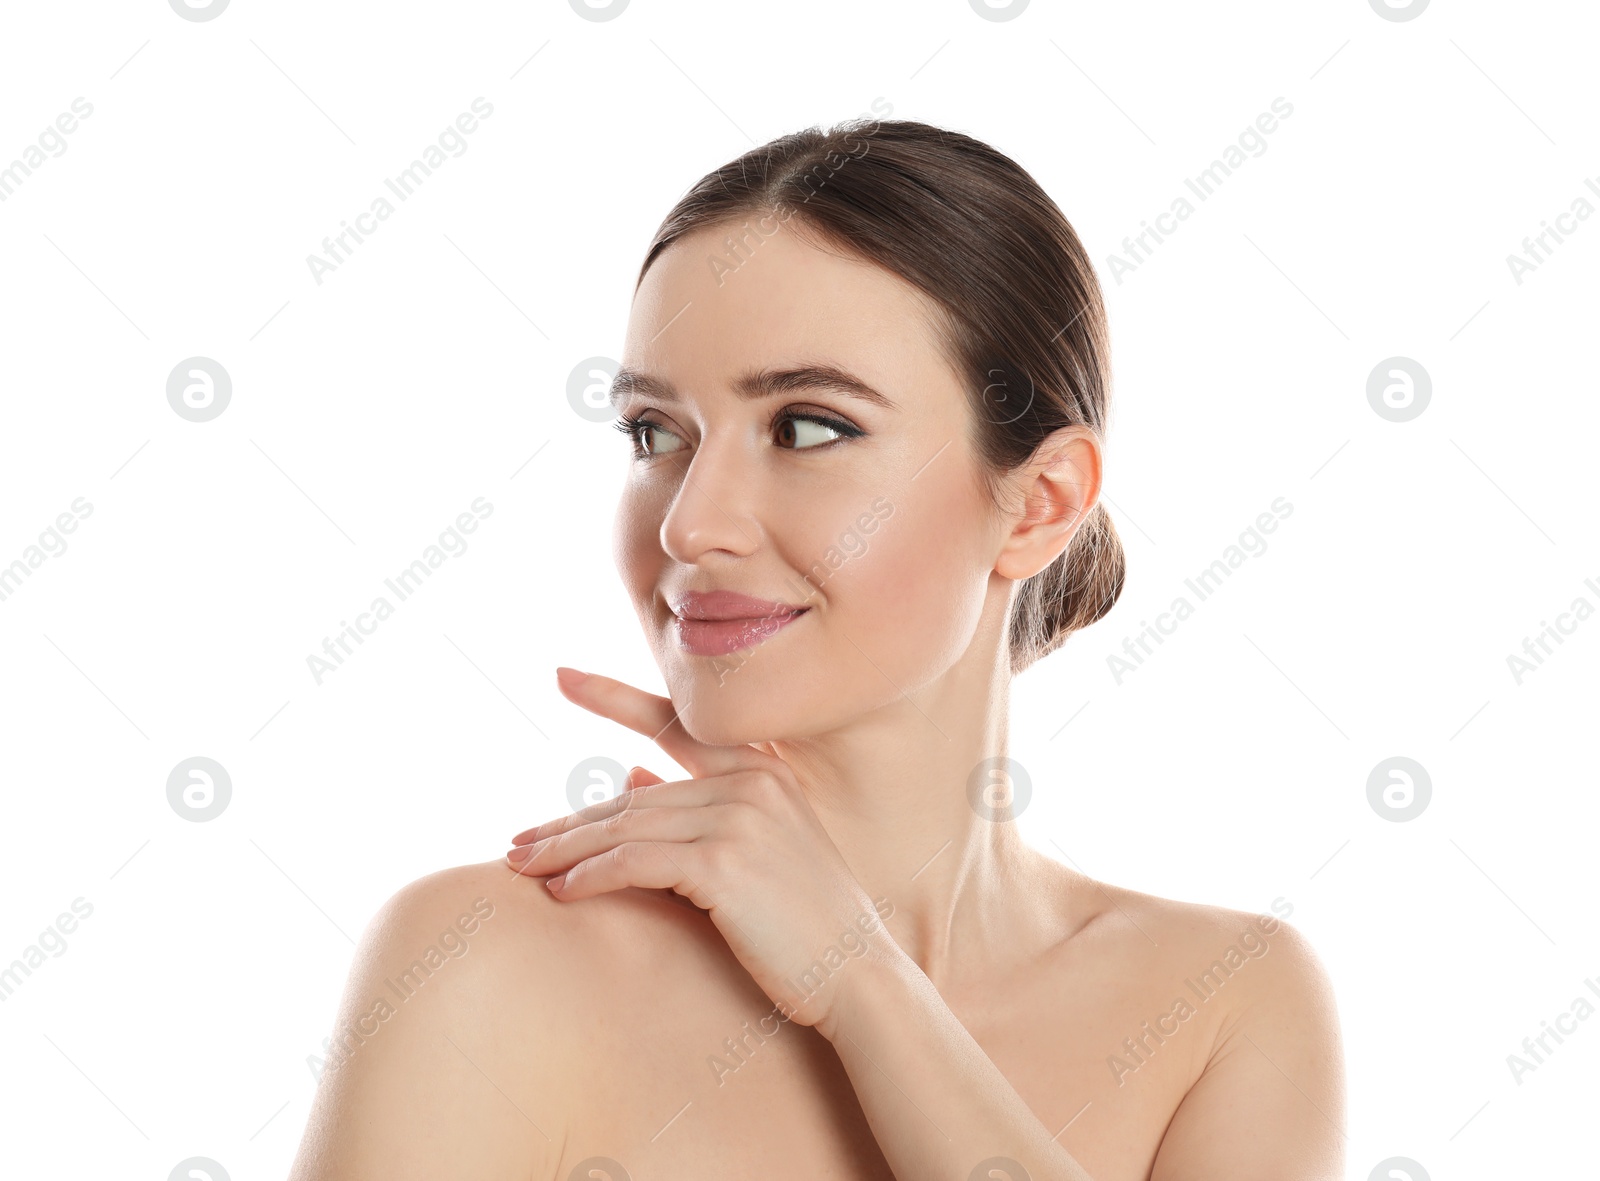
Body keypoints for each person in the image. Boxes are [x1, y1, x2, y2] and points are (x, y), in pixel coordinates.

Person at [287, 117, 1344, 1181]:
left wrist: (866, 986)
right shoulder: (481, 965)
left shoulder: (1224, 1007)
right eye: (657, 433)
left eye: (805, 426)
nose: (690, 525)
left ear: (1038, 503)